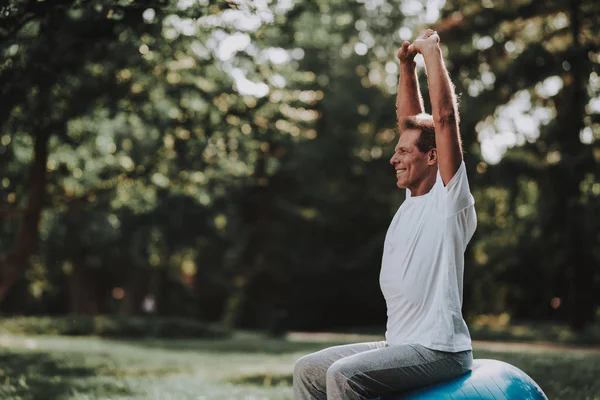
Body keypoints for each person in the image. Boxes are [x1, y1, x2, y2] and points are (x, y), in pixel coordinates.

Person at [292, 29, 477, 399]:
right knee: (308, 370)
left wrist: (431, 54)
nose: (394, 158)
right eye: (396, 150)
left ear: (433, 157)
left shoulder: (449, 201)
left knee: (344, 375)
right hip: (400, 345)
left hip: (440, 350)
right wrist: (406, 68)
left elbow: (442, 119)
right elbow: (413, 122)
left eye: (405, 153)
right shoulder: (412, 202)